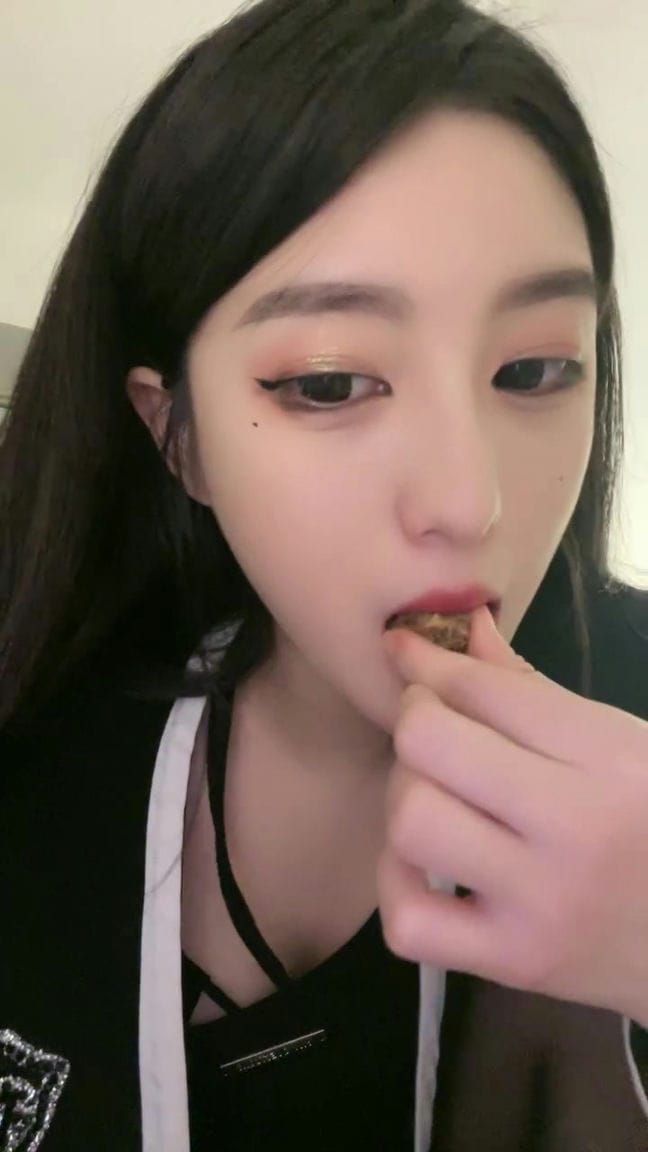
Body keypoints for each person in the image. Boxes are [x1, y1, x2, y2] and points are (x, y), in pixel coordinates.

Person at [1, 0, 647, 1149]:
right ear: (178, 437)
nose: (471, 502)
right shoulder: (40, 744)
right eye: (332, 383)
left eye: (535, 369)